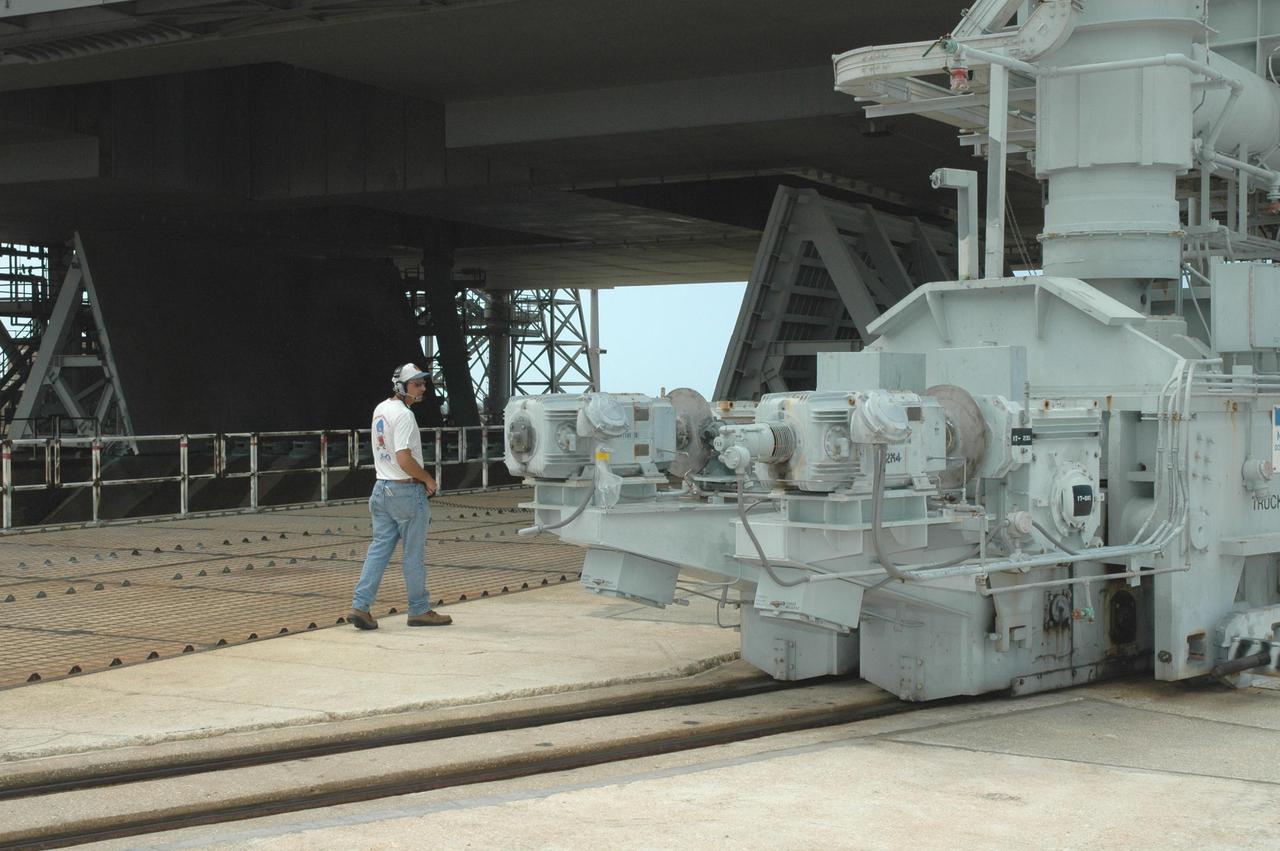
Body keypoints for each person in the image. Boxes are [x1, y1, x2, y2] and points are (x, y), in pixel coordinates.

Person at [348, 363, 452, 629]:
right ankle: (418, 609)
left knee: (378, 551)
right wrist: (427, 478)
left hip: (381, 488)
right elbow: (404, 457)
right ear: (401, 387)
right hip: (406, 491)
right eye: (417, 384)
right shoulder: (405, 416)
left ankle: (360, 606)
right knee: (413, 554)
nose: (423, 388)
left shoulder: (380, 409)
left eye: (423, 383)